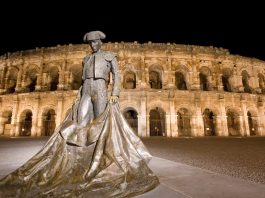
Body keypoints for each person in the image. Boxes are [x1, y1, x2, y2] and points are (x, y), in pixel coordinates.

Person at [0, 31, 159, 197]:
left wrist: (115, 93)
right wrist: (78, 96)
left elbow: (117, 76)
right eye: (90, 43)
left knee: (100, 122)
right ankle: (81, 157)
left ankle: (101, 157)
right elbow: (83, 80)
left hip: (101, 89)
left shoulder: (109, 56)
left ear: (100, 42)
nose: (93, 45)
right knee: (80, 121)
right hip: (86, 91)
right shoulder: (87, 59)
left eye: (95, 42)